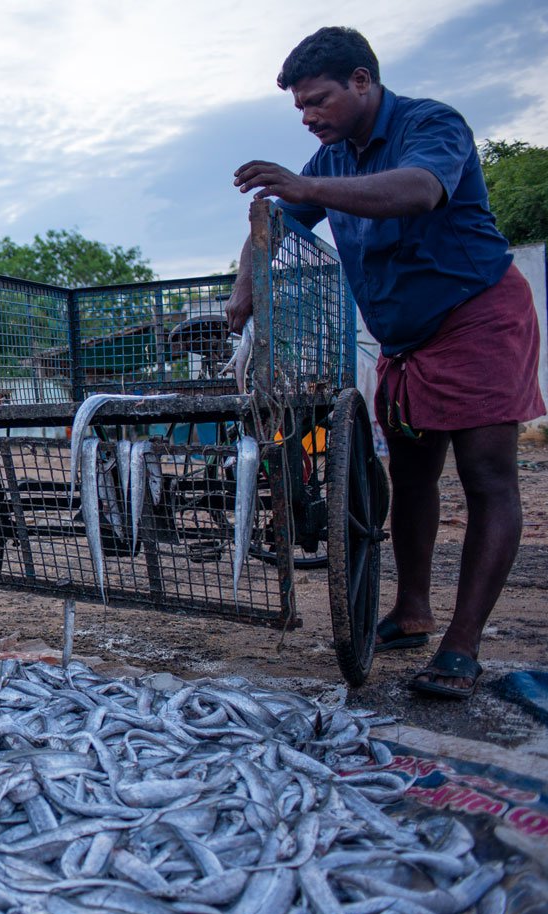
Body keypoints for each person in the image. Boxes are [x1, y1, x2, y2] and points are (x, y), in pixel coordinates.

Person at [225, 27, 543, 700]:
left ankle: (462, 645)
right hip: (407, 341)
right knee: (411, 476)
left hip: (477, 315)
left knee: (487, 478)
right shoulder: (331, 156)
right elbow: (274, 224)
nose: (309, 118)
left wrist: (304, 184)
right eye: (301, 109)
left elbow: (417, 192)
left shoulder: (431, 125)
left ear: (362, 81)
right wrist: (243, 292)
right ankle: (413, 609)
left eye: (317, 101)